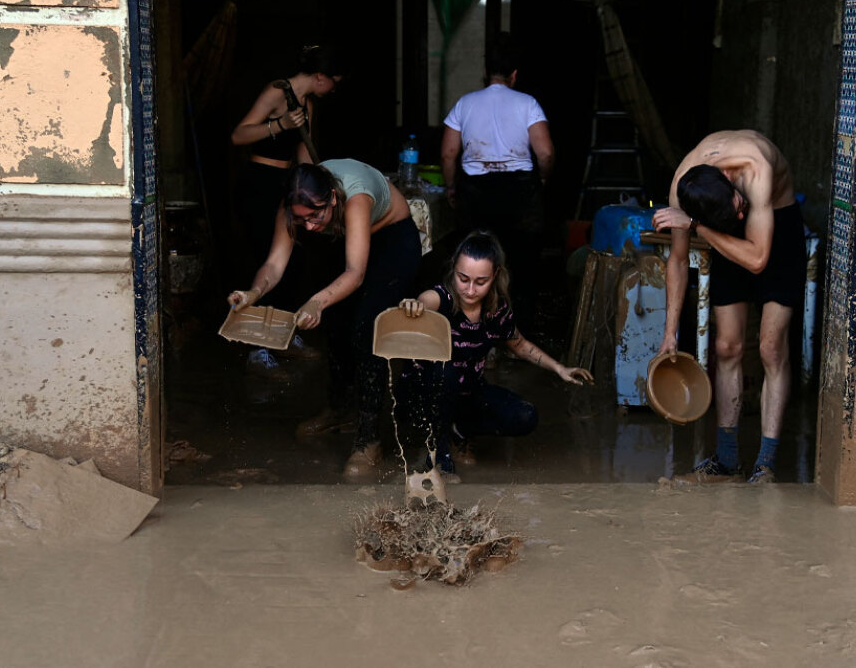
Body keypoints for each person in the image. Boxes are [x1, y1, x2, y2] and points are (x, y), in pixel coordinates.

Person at [227, 159, 421, 481]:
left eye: (315, 216)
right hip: (345, 240)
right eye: (300, 219)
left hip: (391, 241)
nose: (310, 227)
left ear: (332, 197)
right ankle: (339, 409)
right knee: (338, 323)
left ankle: (368, 438)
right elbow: (274, 266)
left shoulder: (356, 198)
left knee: (366, 327)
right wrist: (252, 294)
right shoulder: (297, 207)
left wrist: (316, 302)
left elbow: (355, 274)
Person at [651, 130, 805, 484]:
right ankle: (727, 460)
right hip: (716, 229)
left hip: (775, 229)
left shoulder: (755, 169)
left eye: (737, 208)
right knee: (726, 346)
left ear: (728, 181)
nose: (739, 216)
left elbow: (758, 260)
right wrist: (669, 333)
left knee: (769, 347)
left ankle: (765, 463)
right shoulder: (682, 188)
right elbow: (677, 261)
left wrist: (699, 226)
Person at [397, 231, 592, 482]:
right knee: (445, 371)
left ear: (496, 276)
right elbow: (426, 300)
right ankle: (439, 455)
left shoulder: (496, 310)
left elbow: (519, 345)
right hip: (425, 393)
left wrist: (559, 368)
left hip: (467, 392)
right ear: (454, 270)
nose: (469, 289)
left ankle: (458, 431)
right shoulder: (442, 298)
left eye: (480, 282)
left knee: (524, 416)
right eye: (463, 278)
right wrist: (416, 306)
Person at [229, 46, 343, 374]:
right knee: (264, 261)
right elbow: (238, 135)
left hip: (288, 183)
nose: (333, 89)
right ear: (319, 77)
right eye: (332, 82)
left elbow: (304, 155)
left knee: (294, 261)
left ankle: (282, 335)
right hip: (258, 182)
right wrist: (278, 124)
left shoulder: (308, 105)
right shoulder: (277, 92)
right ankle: (255, 346)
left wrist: (318, 185)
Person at [440, 34, 554, 333]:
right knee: (523, 265)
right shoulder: (528, 103)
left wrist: (452, 187)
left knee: (474, 265)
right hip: (520, 193)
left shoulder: (464, 104)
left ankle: (475, 334)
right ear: (514, 75)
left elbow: (448, 152)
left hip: (476, 194)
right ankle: (519, 335)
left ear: (485, 73)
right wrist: (540, 180)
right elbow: (545, 152)